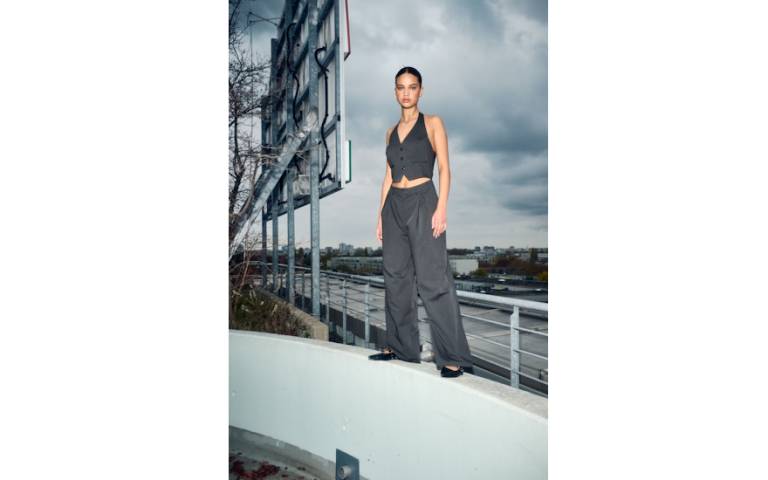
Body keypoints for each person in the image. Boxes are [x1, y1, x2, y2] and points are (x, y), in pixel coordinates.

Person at [367, 66, 474, 378]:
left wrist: (441, 207)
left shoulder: (433, 122)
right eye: (401, 87)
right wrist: (380, 214)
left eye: (412, 87)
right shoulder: (390, 132)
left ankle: (452, 356)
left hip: (423, 200)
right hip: (394, 205)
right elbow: (387, 176)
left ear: (421, 91)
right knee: (395, 277)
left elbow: (445, 168)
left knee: (434, 279)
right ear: (395, 92)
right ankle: (400, 347)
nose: (406, 93)